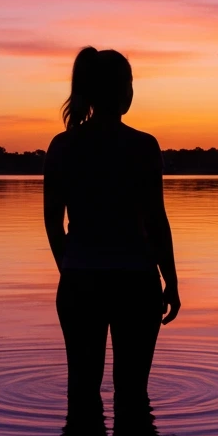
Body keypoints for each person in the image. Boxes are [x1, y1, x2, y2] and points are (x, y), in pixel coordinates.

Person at [44, 46, 181, 413]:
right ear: (120, 91)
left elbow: (52, 222)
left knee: (82, 394)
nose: (132, 91)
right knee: (133, 396)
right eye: (129, 84)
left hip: (79, 285)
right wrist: (172, 281)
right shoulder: (142, 146)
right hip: (135, 284)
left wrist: (70, 267)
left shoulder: (63, 146)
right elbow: (156, 220)